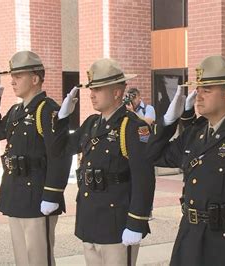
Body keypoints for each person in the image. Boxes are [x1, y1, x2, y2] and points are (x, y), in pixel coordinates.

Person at [147, 55, 225, 265]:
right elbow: (152, 155)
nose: (198, 96)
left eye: (206, 90)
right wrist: (168, 122)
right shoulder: (195, 133)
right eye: (198, 89)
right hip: (190, 237)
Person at [53, 58, 155, 265]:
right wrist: (63, 117)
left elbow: (144, 177)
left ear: (117, 92)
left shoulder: (133, 127)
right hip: (90, 218)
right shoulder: (91, 124)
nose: (91, 94)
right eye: (91, 89)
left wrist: (137, 221)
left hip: (116, 222)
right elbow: (60, 148)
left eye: (98, 89)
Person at [0, 50, 72, 266]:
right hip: (15, 192)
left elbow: (60, 154)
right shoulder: (16, 111)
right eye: (12, 76)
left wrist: (52, 195)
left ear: (35, 79)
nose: (12, 81)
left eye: (18, 76)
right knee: (22, 258)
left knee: (38, 258)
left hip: (38, 196)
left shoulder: (47, 110)